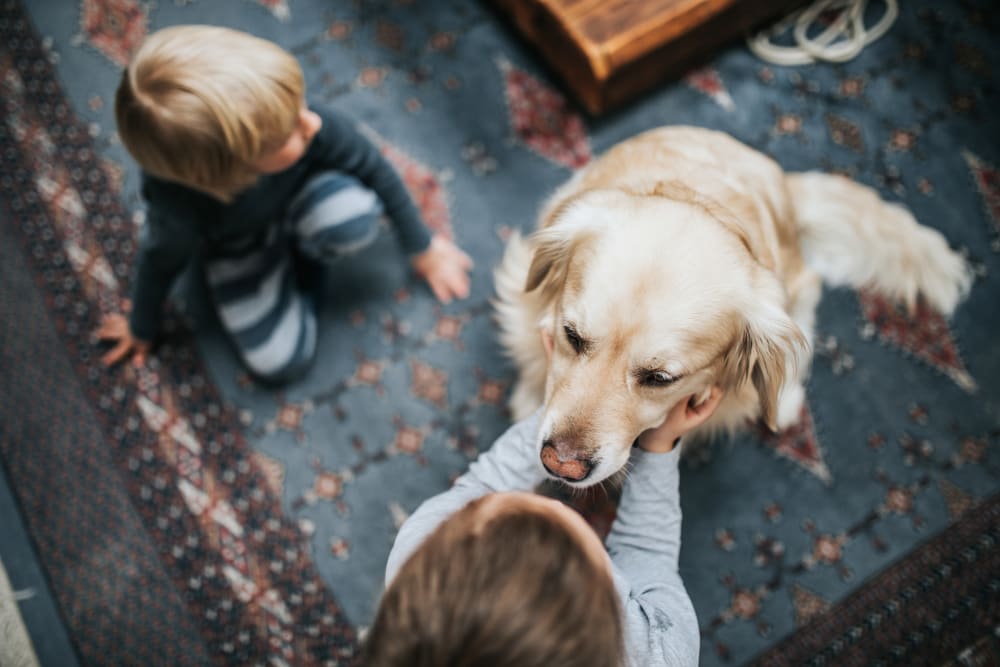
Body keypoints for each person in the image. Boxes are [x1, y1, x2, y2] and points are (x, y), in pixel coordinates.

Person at [96, 25, 472, 383]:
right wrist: (141, 326)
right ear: (232, 171)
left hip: (306, 194)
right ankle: (294, 273)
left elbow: (375, 167)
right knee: (280, 363)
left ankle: (303, 256)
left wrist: (423, 247)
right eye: (289, 129)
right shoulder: (179, 212)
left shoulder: (311, 126)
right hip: (240, 246)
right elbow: (158, 262)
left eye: (300, 105)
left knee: (356, 216)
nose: (311, 123)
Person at [365, 386, 723, 667]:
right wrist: (659, 445)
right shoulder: (663, 651)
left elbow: (488, 480)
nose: (551, 497)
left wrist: (562, 395)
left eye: (492, 506)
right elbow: (646, 553)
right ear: (614, 613)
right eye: (566, 519)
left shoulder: (420, 550)